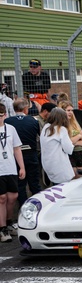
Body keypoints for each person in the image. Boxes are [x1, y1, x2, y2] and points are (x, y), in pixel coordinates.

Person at [6, 98, 44, 203]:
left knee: (20, 185)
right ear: (25, 109)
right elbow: (40, 137)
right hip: (31, 154)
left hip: (15, 157)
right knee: (35, 184)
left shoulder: (8, 121)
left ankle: (23, 207)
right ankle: (38, 206)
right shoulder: (33, 120)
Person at [0, 103, 26, 242]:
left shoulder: (11, 129)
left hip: (10, 167)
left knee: (13, 196)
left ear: (5, 115)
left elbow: (17, 149)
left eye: (1, 115)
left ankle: (9, 222)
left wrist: (21, 167)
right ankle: (2, 228)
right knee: (2, 198)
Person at [40, 107, 77, 185]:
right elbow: (69, 149)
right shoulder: (61, 129)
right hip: (60, 166)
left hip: (48, 164)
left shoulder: (46, 128)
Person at [57, 100, 82, 177]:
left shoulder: (74, 123)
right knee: (73, 177)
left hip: (80, 154)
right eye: (68, 110)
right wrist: (79, 137)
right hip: (69, 155)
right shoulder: (61, 126)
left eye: (72, 110)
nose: (71, 112)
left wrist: (75, 141)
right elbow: (68, 142)